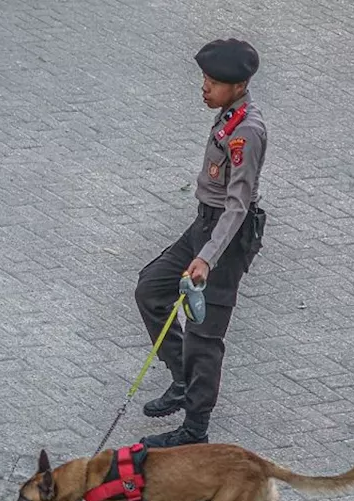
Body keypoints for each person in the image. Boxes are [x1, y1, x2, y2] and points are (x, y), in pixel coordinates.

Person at [135, 38, 268, 448]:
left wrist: (208, 257)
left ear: (239, 84)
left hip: (227, 236)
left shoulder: (247, 131)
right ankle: (182, 377)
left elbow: (238, 206)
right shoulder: (229, 116)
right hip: (204, 223)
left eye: (212, 81)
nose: (204, 87)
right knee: (151, 288)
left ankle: (194, 431)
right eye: (204, 79)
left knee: (204, 335)